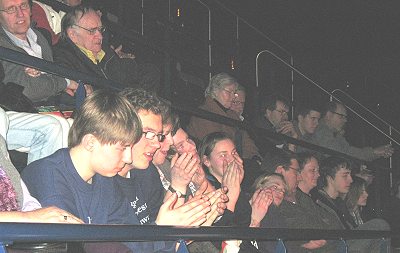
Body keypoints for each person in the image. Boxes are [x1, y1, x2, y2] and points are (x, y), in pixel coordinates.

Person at [54, 5, 160, 93]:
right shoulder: (62, 57)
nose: (100, 36)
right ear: (72, 34)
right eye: (92, 31)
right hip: (101, 111)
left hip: (121, 104)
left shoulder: (105, 51)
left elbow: (129, 74)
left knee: (151, 71)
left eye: (100, 30)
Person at [0, 0, 81, 104]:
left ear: (30, 9)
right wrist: (65, 83)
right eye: (11, 9)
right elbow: (27, 90)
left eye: (24, 6)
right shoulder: (3, 47)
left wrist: (57, 87)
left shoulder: (41, 36)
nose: (20, 14)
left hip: (53, 104)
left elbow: (51, 77)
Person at [313, 156, 390, 253]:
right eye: (345, 176)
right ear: (330, 178)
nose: (351, 180)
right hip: (335, 246)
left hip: (345, 243)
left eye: (350, 175)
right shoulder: (318, 202)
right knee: (379, 225)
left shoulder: (339, 203)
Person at [187, 72, 260, 161]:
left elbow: (247, 142)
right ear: (215, 91)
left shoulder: (232, 115)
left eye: (234, 93)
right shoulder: (203, 115)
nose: (233, 97)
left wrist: (253, 158)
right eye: (229, 92)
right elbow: (216, 149)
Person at [311, 101, 394, 161]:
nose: (345, 120)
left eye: (345, 117)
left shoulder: (334, 133)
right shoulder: (321, 129)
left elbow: (348, 150)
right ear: (329, 115)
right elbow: (341, 154)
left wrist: (375, 152)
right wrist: (374, 152)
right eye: (341, 116)